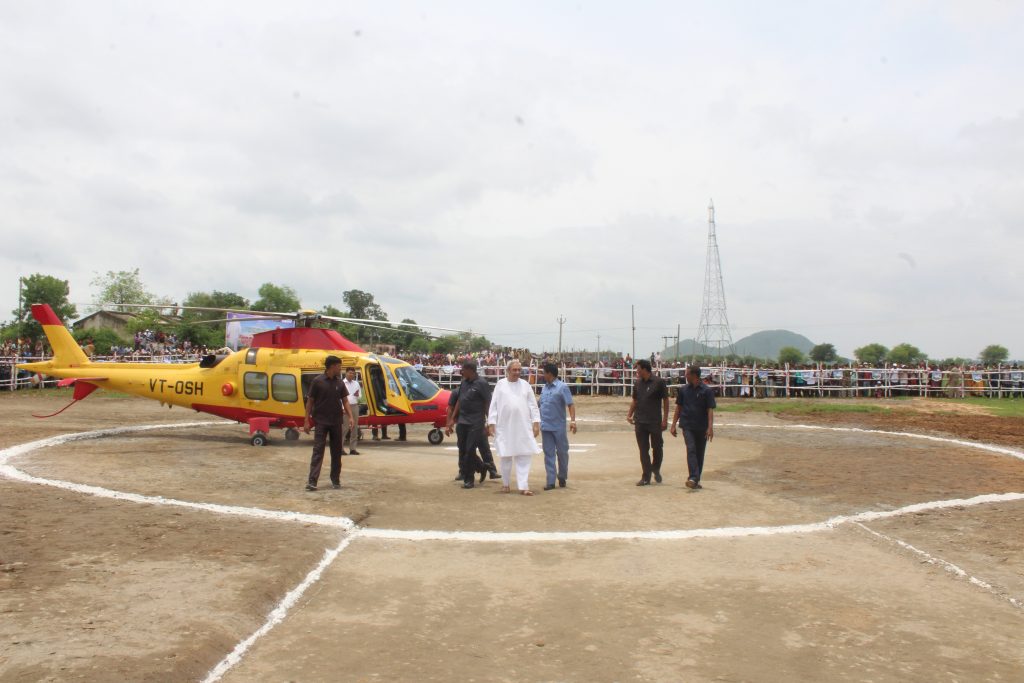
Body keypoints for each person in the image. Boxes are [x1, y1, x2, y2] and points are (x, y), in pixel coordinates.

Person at [488, 360, 541, 495]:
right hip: (504, 426)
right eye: (514, 370)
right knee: (505, 455)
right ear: (508, 371)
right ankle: (505, 484)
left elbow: (533, 405)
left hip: (523, 426)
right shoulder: (500, 385)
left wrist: (536, 423)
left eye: (519, 370)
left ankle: (523, 486)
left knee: (524, 455)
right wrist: (491, 422)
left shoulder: (525, 385)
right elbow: (494, 404)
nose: (517, 372)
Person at [303, 355, 355, 491]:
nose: (340, 369)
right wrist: (306, 420)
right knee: (318, 451)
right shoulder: (317, 381)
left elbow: (345, 401)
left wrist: (350, 417)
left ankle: (335, 480)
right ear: (332, 366)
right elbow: (310, 402)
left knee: (336, 452)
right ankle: (312, 481)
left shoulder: (340, 383)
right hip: (321, 421)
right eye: (339, 366)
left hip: (336, 422)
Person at [446, 360, 497, 489]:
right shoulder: (464, 382)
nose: (461, 372)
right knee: (463, 450)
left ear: (470, 370)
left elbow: (488, 404)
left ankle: (469, 479)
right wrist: (452, 419)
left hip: (476, 422)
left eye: (463, 370)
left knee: (470, 450)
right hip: (462, 421)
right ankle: (482, 466)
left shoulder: (482, 384)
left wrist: (489, 423)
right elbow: (460, 401)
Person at [670, 365, 716, 490]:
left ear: (694, 375)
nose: (685, 376)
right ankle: (693, 477)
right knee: (691, 449)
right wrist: (673, 424)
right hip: (687, 425)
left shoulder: (706, 391)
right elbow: (678, 408)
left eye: (687, 374)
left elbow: (710, 409)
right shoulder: (683, 390)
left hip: (702, 426)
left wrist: (710, 427)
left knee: (700, 453)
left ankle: (695, 480)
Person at [626, 358, 669, 486]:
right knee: (643, 450)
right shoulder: (637, 383)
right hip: (640, 421)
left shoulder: (659, 382)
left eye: (638, 369)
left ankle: (655, 468)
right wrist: (629, 414)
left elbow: (666, 401)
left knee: (657, 447)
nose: (637, 372)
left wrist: (665, 419)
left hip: (655, 421)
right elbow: (635, 401)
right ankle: (646, 476)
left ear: (645, 369)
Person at [539, 362, 576, 490]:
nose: (543, 375)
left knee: (562, 453)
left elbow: (570, 404)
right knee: (548, 453)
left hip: (558, 426)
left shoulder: (562, 387)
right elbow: (540, 404)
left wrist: (573, 421)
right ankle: (550, 481)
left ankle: (562, 476)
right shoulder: (544, 388)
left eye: (544, 373)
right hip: (545, 426)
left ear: (550, 374)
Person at [342, 368, 361, 454]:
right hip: (345, 407)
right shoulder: (342, 383)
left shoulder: (356, 383)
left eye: (353, 373)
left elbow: (359, 395)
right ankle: (340, 448)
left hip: (354, 405)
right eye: (350, 373)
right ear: (346, 373)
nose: (351, 375)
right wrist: (342, 408)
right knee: (345, 428)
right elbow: (339, 397)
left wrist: (357, 395)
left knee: (354, 428)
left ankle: (353, 448)